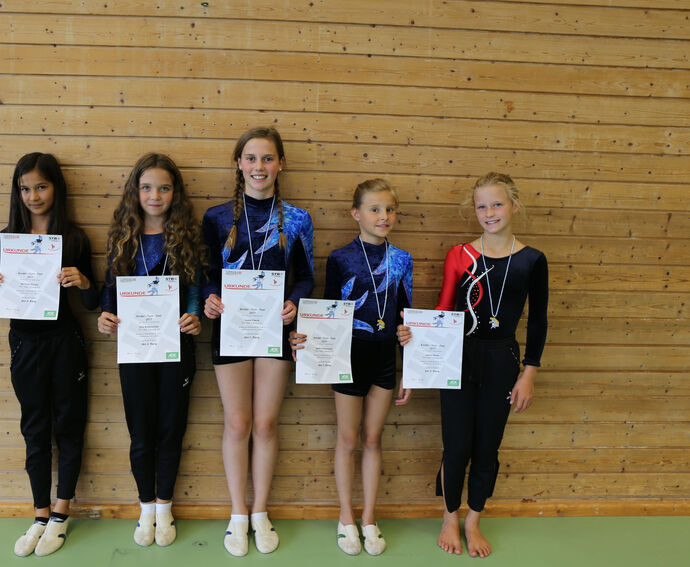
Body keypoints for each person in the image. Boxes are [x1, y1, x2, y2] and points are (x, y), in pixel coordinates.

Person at [403, 172, 548, 558]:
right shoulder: (461, 255)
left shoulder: (532, 260)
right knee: (456, 445)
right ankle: (450, 516)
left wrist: (529, 373)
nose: (490, 212)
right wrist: (417, 354)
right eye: (482, 206)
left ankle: (474, 519)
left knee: (487, 447)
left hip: (503, 360)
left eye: (497, 204)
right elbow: (443, 309)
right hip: (457, 357)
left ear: (514, 205)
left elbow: (538, 321)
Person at [0, 152, 98, 557]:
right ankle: (40, 513)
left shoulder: (74, 238)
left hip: (65, 342)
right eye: (25, 188)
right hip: (25, 344)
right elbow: (11, 300)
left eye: (41, 186)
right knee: (34, 428)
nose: (33, 196)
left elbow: (94, 301)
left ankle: (62, 512)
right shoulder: (8, 238)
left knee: (69, 424)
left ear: (56, 188)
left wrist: (83, 282)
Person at [201, 127, 314, 556]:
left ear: (281, 164)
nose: (259, 167)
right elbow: (207, 273)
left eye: (267, 158)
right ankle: (237, 514)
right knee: (237, 423)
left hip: (274, 329)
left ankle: (260, 511)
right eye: (251, 158)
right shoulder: (216, 218)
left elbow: (306, 276)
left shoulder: (298, 219)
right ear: (239, 164)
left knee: (265, 424)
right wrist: (211, 298)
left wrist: (294, 302)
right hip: (230, 328)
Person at [291, 179, 413, 556]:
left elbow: (406, 316)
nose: (383, 216)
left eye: (389, 209)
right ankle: (346, 517)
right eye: (375, 209)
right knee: (348, 439)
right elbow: (327, 313)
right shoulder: (341, 258)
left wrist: (410, 359)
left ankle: (370, 517)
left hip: (384, 359)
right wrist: (306, 340)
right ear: (356, 214)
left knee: (373, 439)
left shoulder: (402, 259)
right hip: (348, 357)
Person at [97, 153, 206, 547]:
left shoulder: (186, 237)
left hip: (176, 348)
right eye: (146, 187)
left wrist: (195, 316)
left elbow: (194, 289)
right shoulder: (121, 238)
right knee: (140, 432)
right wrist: (105, 316)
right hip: (135, 351)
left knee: (170, 430)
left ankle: (165, 507)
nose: (155, 195)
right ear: (135, 191)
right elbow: (110, 291)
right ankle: (145, 507)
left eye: (163, 188)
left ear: (175, 193)